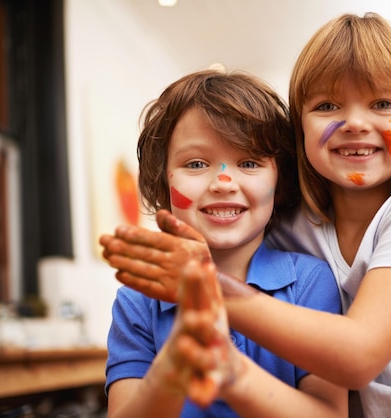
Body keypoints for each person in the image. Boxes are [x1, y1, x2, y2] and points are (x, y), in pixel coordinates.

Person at [101, 13, 391, 417]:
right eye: (327, 106)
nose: (354, 122)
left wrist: (205, 289)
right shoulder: (296, 227)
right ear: (299, 131)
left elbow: (359, 355)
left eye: (382, 104)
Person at [99, 69, 347, 418]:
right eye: (196, 163)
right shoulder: (139, 301)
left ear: (281, 180)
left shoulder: (309, 282)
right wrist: (176, 363)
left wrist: (226, 367)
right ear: (162, 180)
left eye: (249, 162)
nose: (223, 182)